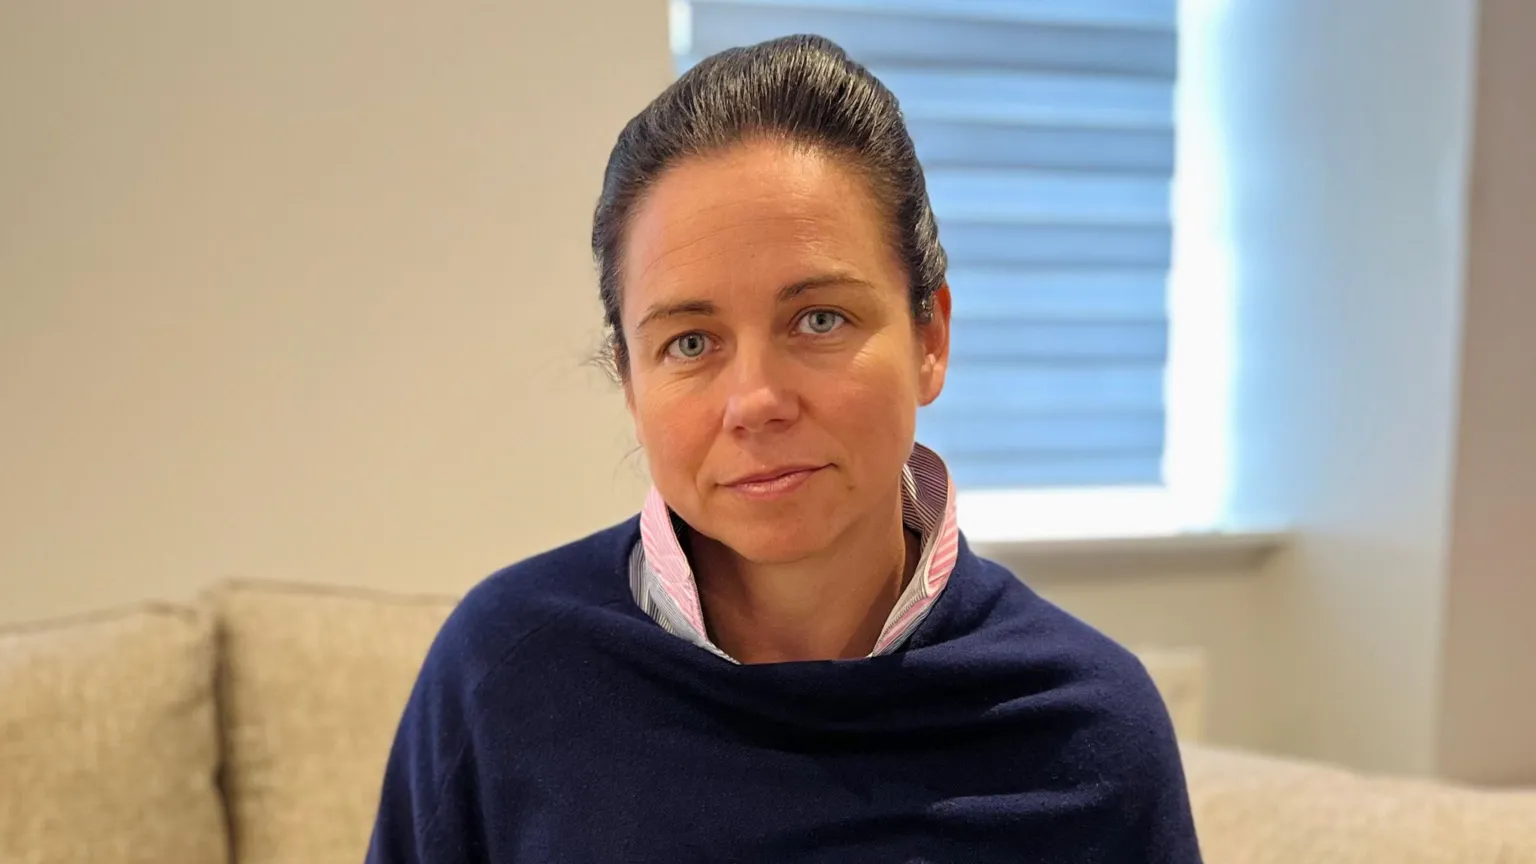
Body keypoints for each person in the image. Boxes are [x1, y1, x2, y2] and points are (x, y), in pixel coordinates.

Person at [366, 34, 1201, 863]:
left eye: (820, 320)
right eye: (690, 343)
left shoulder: (1087, 729)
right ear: (630, 380)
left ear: (930, 337)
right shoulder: (504, 672)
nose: (756, 402)